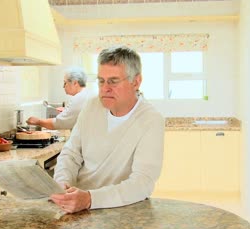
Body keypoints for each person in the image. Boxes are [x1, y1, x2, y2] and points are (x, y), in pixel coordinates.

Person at [50, 46, 165, 213]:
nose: (105, 88)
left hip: (123, 210)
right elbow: (71, 153)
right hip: (79, 208)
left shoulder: (151, 120)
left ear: (136, 81)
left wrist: (90, 199)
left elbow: (142, 183)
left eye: (113, 81)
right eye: (101, 81)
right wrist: (61, 182)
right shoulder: (91, 106)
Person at [26, 67, 94, 130]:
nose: (63, 86)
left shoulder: (79, 98)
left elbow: (59, 123)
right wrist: (67, 111)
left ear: (75, 83)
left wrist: (38, 121)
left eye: (65, 83)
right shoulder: (87, 94)